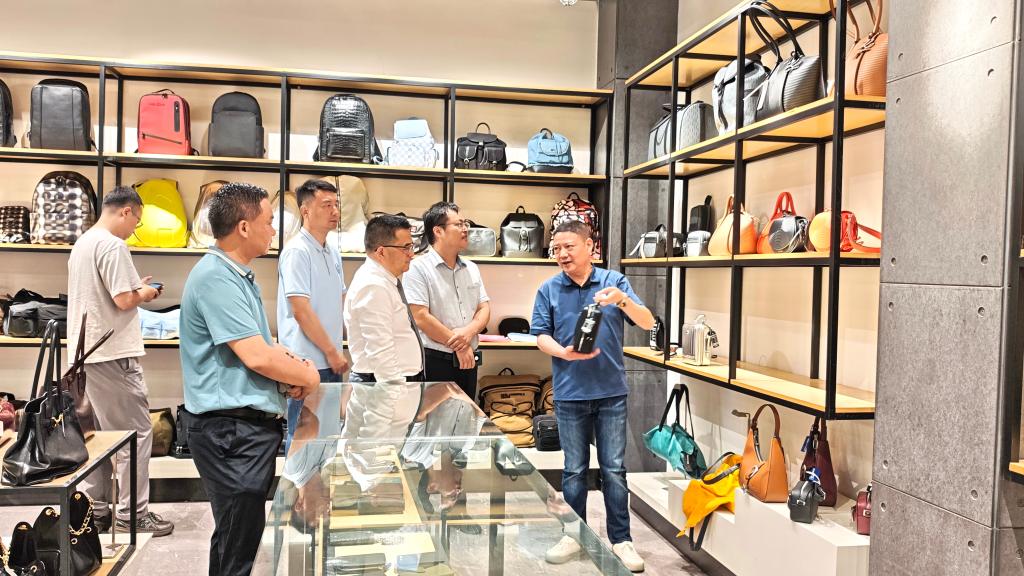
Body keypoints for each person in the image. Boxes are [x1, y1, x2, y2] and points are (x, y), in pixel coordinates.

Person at [179, 182, 320, 576]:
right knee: (238, 544)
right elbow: (257, 356)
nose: (274, 230)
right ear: (243, 227)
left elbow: (265, 345)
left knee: (236, 536)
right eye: (269, 221)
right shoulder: (217, 278)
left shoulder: (236, 275)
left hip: (240, 431)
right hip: (230, 432)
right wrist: (308, 375)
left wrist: (290, 370)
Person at [531, 220, 655, 573]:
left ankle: (621, 540)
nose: (561, 254)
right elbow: (540, 335)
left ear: (590, 247)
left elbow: (648, 322)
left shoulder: (614, 282)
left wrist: (623, 300)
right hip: (569, 392)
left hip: (611, 392)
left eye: (568, 246)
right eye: (556, 248)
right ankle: (574, 534)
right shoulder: (549, 288)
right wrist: (563, 352)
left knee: (614, 469)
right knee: (573, 469)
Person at [66, 185, 174, 537]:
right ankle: (132, 514)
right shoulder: (113, 245)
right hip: (113, 355)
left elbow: (108, 295)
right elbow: (124, 301)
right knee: (135, 435)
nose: (134, 229)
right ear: (126, 211)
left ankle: (96, 512)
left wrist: (133, 288)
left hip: (84, 357)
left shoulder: (84, 243)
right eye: (136, 221)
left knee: (95, 436)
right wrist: (147, 292)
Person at [278, 178, 348, 452]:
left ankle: (319, 483)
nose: (335, 212)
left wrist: (338, 350)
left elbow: (339, 302)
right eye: (326, 205)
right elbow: (301, 311)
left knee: (327, 437)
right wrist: (332, 352)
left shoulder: (332, 251)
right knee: (303, 435)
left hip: (331, 360)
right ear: (305, 210)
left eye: (336, 205)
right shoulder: (297, 251)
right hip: (306, 362)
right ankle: (297, 482)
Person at [342, 214, 425, 441]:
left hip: (391, 390)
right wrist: (390, 402)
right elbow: (381, 353)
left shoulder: (384, 280)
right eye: (405, 247)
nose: (411, 254)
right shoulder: (373, 285)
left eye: (412, 246)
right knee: (372, 454)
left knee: (383, 456)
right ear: (381, 251)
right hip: (382, 391)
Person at [404, 201, 490, 400]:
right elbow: (420, 317)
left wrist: (469, 333)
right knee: (435, 418)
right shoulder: (418, 268)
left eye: (465, 223)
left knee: (466, 414)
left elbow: (484, 307)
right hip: (435, 360)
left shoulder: (471, 268)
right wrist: (460, 345)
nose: (465, 229)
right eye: (458, 224)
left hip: (469, 359)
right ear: (438, 231)